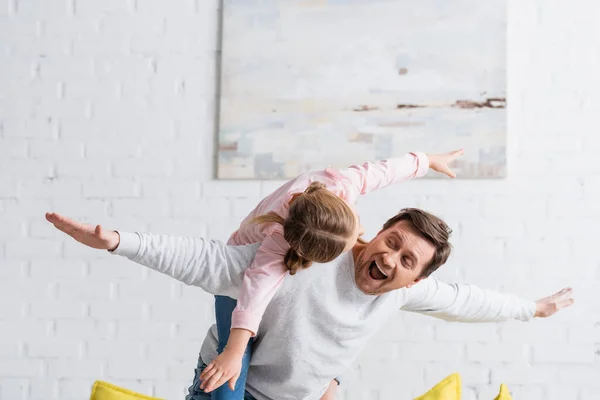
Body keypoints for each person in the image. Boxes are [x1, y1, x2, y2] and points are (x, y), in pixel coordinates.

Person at [45, 208, 574, 400]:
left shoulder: (403, 294)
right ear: (374, 235)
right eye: (391, 242)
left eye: (409, 260)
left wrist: (533, 309)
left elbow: (468, 301)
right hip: (237, 390)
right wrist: (118, 241)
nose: (392, 259)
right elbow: (204, 261)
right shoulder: (309, 255)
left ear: (415, 277)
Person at [193, 150, 462, 397]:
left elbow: (383, 170)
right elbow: (255, 291)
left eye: (356, 234)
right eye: (389, 243)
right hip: (240, 279)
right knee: (232, 366)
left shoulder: (344, 184)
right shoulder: (277, 244)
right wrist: (234, 351)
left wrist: (425, 161)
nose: (361, 240)